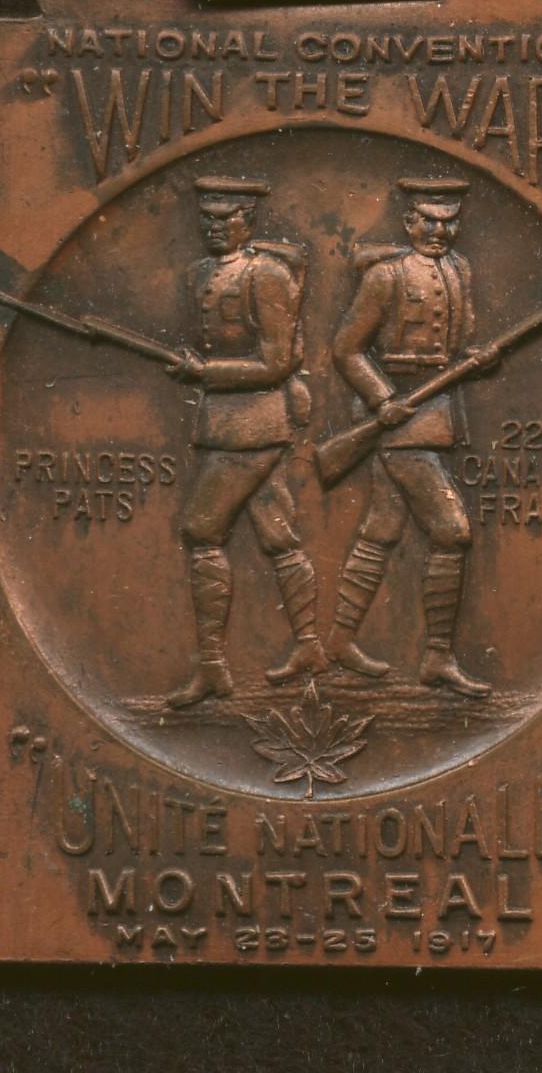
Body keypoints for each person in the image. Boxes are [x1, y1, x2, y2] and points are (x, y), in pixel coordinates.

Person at [325, 176, 490, 697]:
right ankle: (436, 657)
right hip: (398, 414)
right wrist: (381, 401)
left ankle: (339, 641)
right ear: (409, 221)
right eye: (429, 221)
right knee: (452, 532)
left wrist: (477, 360)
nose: (439, 231)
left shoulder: (460, 269)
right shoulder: (385, 276)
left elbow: (458, 344)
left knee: (383, 527)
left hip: (435, 408)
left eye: (449, 222)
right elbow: (346, 349)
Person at [166, 175, 325, 708]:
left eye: (225, 218)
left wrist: (204, 372)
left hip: (254, 426)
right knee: (277, 535)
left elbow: (276, 363)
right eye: (206, 218)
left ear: (247, 221)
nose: (213, 227)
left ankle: (214, 668)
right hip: (223, 424)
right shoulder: (198, 274)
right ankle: (309, 646)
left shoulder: (267, 275)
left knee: (201, 530)